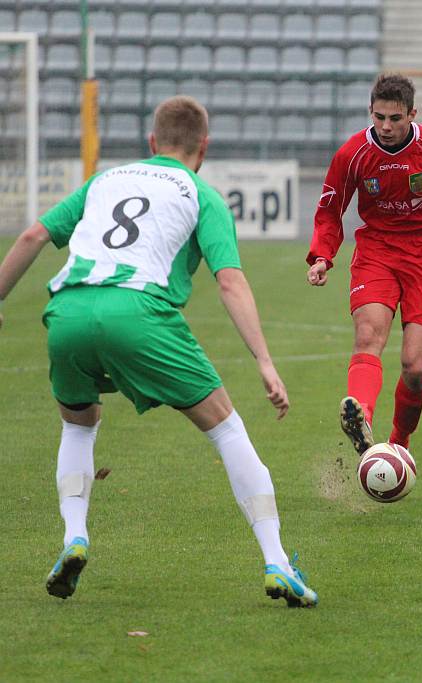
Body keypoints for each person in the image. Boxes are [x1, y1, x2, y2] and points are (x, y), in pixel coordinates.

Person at [0, 96, 317, 607]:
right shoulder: (201, 193)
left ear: (151, 142)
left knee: (78, 424)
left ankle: (74, 536)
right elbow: (230, 282)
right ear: (203, 148)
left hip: (68, 310)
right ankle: (277, 561)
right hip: (139, 312)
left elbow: (35, 234)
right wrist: (264, 361)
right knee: (226, 428)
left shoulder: (105, 180)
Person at [307, 73, 422, 456]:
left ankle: (399, 442)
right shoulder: (352, 154)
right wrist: (323, 254)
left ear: (412, 114)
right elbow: (329, 209)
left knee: (415, 366)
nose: (386, 127)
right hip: (378, 250)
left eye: (395, 118)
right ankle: (361, 416)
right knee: (368, 335)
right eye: (379, 118)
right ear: (370, 113)